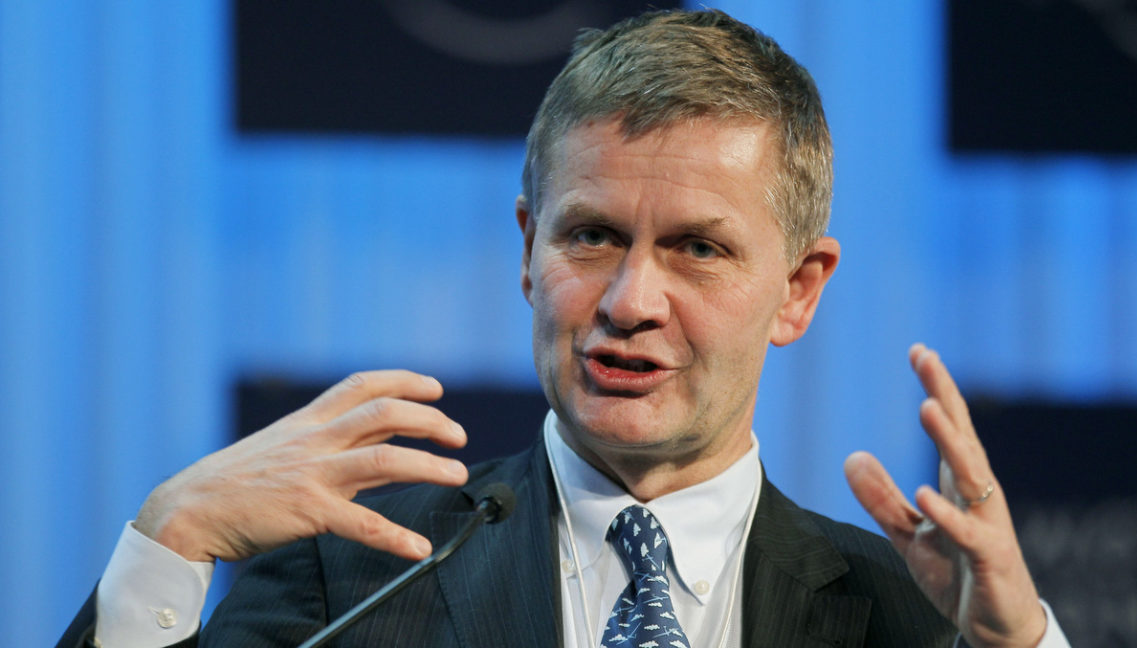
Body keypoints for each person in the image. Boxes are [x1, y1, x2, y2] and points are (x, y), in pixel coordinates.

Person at [59, 9, 1070, 648]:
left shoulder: (916, 619)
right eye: (590, 236)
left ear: (798, 290)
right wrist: (169, 545)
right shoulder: (353, 576)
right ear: (526, 246)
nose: (629, 300)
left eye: (696, 249)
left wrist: (1018, 643)